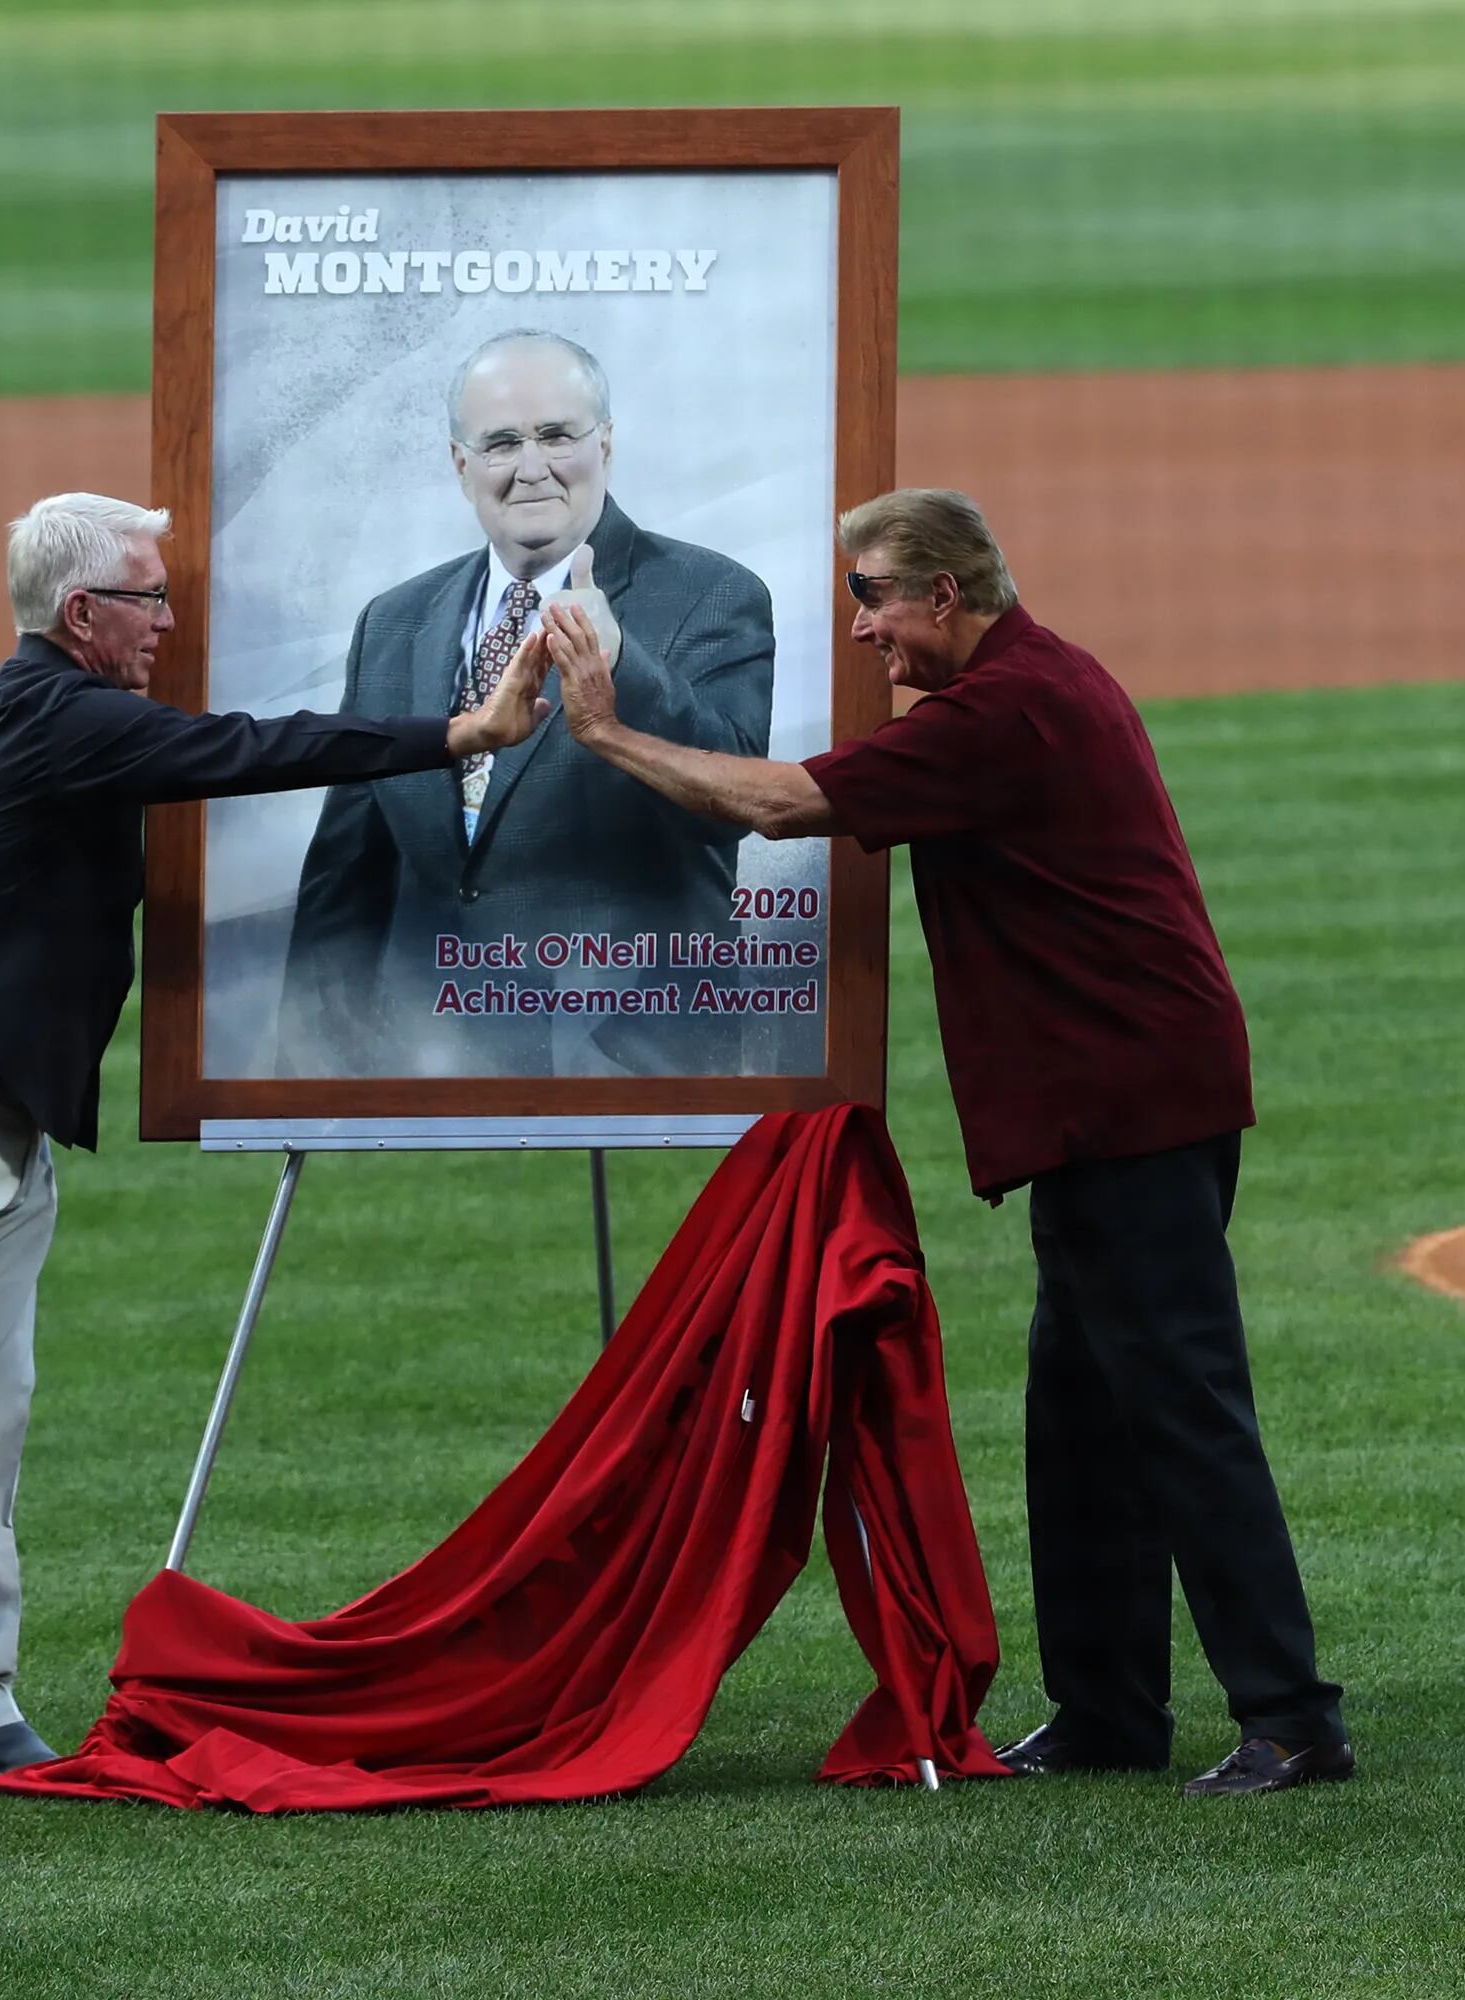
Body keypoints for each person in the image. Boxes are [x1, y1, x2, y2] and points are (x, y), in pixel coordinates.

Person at [516, 486, 1351, 1796]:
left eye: (874, 598)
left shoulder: (1007, 713)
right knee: (1082, 1420)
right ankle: (1108, 1711)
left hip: (1134, 1108)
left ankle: (1294, 1719)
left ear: (947, 596)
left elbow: (784, 807)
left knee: (1182, 1411)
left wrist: (607, 732)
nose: (862, 631)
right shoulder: (1030, 687)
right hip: (1111, 1106)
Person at [0, 492, 548, 1796]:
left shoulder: (30, 714)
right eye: (150, 597)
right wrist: (461, 732)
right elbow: (242, 749)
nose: (170, 622)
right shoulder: (54, 713)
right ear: (84, 615)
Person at [276, 330, 775, 1078]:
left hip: (634, 1055)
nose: (531, 468)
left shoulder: (711, 594)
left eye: (556, 436)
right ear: (460, 463)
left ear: (604, 444)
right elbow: (349, 870)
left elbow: (734, 798)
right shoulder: (394, 622)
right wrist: (312, 1061)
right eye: (501, 443)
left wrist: (622, 666)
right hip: (431, 1054)